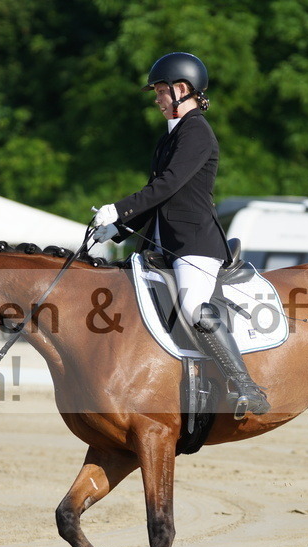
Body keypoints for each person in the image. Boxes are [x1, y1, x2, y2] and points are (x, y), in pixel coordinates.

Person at [90, 52, 269, 417]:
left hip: (194, 245)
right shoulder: (167, 140)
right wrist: (117, 229)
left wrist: (119, 207)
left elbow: (169, 185)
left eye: (160, 91)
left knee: (193, 308)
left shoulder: (197, 132)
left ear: (182, 89)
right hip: (159, 247)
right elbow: (157, 196)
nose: (156, 99)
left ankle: (247, 388)